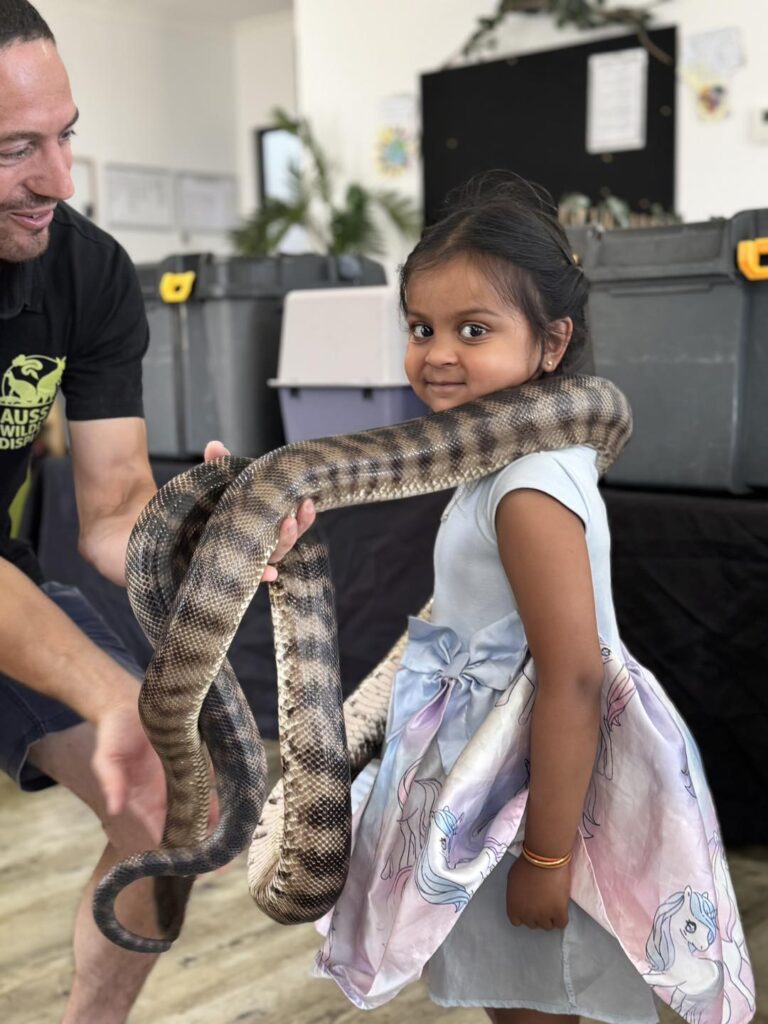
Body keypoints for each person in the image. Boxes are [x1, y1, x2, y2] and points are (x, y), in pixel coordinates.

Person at [313, 176, 756, 1024]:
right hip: (490, 775)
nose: (438, 353)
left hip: (527, 793)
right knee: (517, 1002)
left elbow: (576, 677)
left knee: (535, 1007)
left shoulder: (526, 489)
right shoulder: (496, 463)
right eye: (421, 327)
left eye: (473, 330)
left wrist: (549, 857)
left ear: (552, 345)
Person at [0, 3, 314, 1021]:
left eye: (66, 135)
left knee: (154, 807)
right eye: (14, 151)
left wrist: (198, 530)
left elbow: (112, 504)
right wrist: (110, 699)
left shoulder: (84, 271)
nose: (58, 180)